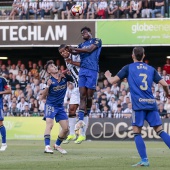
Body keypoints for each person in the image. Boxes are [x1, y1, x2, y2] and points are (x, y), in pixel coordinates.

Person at [104, 47, 170, 167]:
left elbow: (113, 81)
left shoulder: (128, 68)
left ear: (132, 55)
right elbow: (165, 84)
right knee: (160, 131)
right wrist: (167, 94)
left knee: (137, 132)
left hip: (138, 105)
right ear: (143, 56)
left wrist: (108, 75)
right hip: (151, 103)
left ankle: (144, 160)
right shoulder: (150, 69)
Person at [65, 26, 102, 132]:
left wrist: (74, 49)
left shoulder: (96, 40)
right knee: (82, 96)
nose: (83, 34)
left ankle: (87, 113)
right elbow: (76, 52)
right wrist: (69, 49)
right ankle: (81, 120)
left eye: (84, 32)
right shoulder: (80, 45)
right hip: (83, 71)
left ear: (90, 32)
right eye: (81, 33)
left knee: (89, 96)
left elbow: (89, 50)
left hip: (92, 70)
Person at [41, 60, 73, 154]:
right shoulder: (48, 80)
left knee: (66, 129)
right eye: (51, 66)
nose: (54, 66)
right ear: (48, 71)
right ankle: (47, 146)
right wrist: (47, 86)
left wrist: (69, 73)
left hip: (60, 106)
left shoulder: (64, 77)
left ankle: (57, 145)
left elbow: (75, 78)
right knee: (50, 125)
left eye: (54, 65)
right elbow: (42, 96)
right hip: (50, 105)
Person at [58, 44, 88, 144]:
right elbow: (72, 68)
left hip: (84, 84)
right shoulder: (66, 60)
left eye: (64, 51)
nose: (63, 53)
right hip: (75, 85)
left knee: (82, 109)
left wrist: (72, 62)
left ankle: (82, 135)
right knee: (71, 109)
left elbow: (85, 64)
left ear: (68, 49)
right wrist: (65, 72)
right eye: (61, 53)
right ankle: (71, 134)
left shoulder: (75, 55)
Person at [0, 76, 12, 151]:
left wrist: (0, 92)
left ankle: (4, 144)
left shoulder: (2, 79)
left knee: (0, 123)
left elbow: (9, 91)